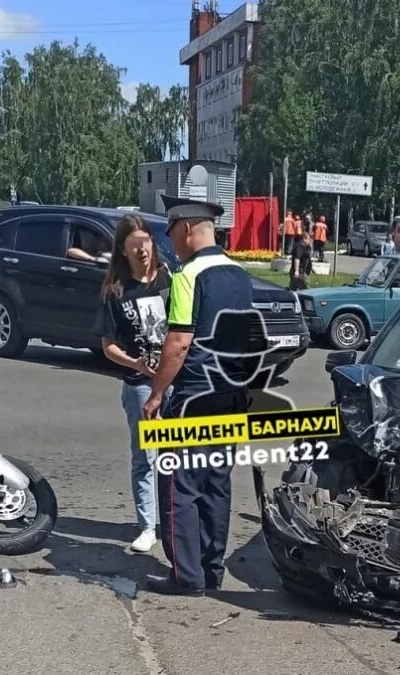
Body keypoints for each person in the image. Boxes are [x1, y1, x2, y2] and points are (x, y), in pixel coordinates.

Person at [142, 194, 254, 596]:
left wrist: (156, 395)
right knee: (217, 484)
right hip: (231, 397)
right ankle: (211, 569)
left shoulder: (189, 276)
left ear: (187, 228)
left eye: (172, 232)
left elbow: (178, 343)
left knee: (180, 486)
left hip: (193, 399)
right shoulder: (240, 275)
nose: (170, 241)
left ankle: (185, 577)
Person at [93, 215, 171, 554]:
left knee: (175, 456)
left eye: (145, 242)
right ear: (123, 252)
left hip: (176, 383)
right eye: (133, 246)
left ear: (153, 243)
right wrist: (135, 363)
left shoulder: (169, 280)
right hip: (140, 384)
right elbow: (108, 346)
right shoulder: (116, 292)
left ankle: (173, 521)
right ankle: (147, 526)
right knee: (146, 457)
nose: (142, 250)